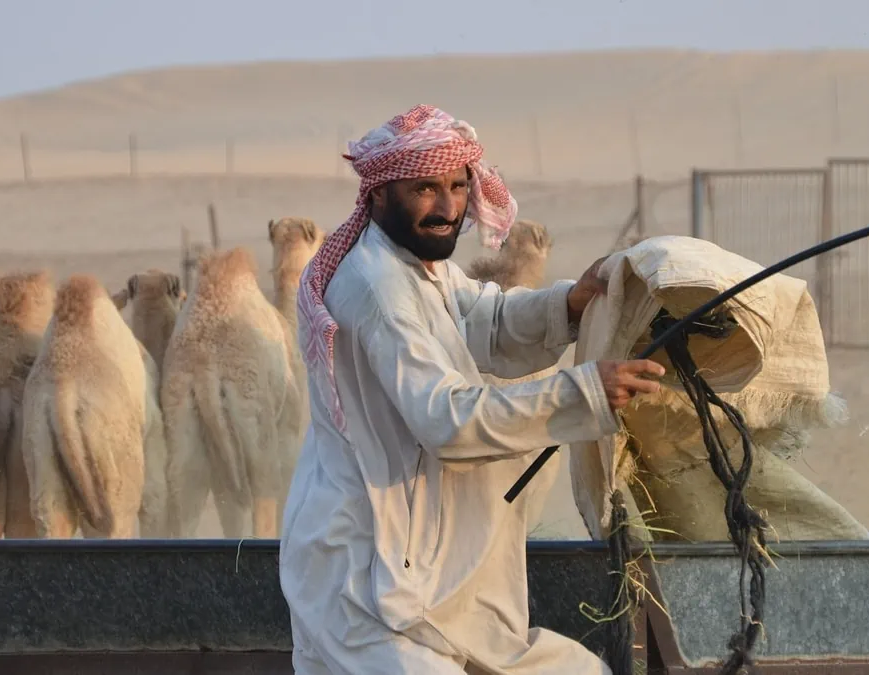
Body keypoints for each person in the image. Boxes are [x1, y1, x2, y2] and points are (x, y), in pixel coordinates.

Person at [279, 104, 665, 675]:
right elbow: (446, 422)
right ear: (381, 194)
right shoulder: (379, 288)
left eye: (458, 186)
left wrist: (567, 305)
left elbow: (482, 320)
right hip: (364, 585)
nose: (448, 207)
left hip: (426, 575)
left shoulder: (417, 268)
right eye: (426, 189)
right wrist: (583, 392)